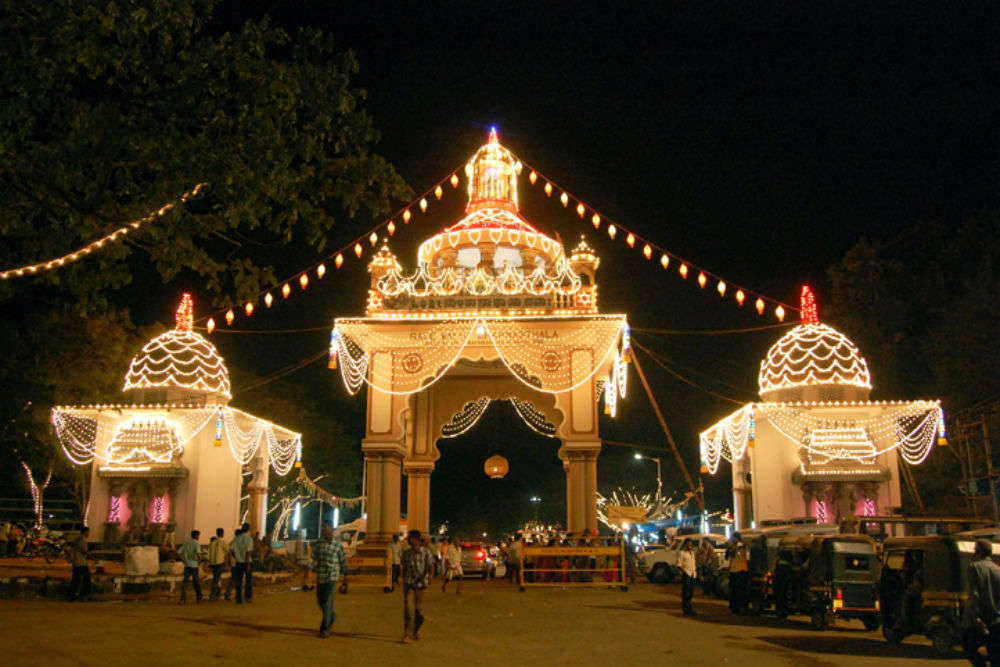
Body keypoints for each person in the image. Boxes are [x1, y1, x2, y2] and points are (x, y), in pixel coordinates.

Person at [965, 539, 1000, 666]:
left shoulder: (974, 567)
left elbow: (974, 594)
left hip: (981, 620)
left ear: (977, 552)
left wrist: (974, 616)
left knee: (968, 647)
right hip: (997, 621)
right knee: (995, 657)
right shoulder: (997, 569)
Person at [310, 524, 347, 638]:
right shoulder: (319, 544)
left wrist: (345, 576)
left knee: (327, 601)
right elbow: (313, 557)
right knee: (320, 601)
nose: (324, 531)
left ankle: (325, 628)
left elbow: (343, 560)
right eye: (323, 529)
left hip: (332, 576)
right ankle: (330, 616)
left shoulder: (337, 545)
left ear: (332, 530)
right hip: (321, 576)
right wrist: (309, 568)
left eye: (326, 529)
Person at [401, 529, 434, 643]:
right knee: (409, 609)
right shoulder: (406, 553)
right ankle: (407, 634)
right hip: (409, 584)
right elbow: (404, 568)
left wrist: (430, 576)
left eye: (410, 538)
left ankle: (415, 631)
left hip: (420, 585)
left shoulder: (426, 552)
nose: (408, 540)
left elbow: (430, 565)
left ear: (416, 539)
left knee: (418, 610)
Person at [230, 522, 253, 604]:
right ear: (248, 529)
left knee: (238, 581)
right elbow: (248, 552)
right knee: (248, 581)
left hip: (238, 562)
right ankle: (248, 597)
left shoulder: (236, 538)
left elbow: (231, 549)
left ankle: (238, 598)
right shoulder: (249, 539)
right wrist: (248, 563)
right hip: (246, 561)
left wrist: (236, 556)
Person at [178, 530, 203, 604]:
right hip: (194, 565)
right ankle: (199, 596)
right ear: (196, 536)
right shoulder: (196, 544)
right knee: (196, 582)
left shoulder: (186, 543)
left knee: (185, 583)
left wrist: (183, 560)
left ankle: (182, 599)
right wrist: (200, 560)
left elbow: (179, 552)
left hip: (187, 565)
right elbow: (198, 554)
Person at [727, 532, 750, 614]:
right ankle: (735, 607)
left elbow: (746, 558)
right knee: (734, 591)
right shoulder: (731, 547)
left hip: (741, 571)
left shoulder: (742, 547)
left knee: (740, 591)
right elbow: (729, 558)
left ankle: (741, 607)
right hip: (734, 571)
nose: (732, 539)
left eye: (733, 538)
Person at [68, 526, 91, 601]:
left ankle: (72, 595)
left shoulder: (77, 539)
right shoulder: (82, 540)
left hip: (76, 562)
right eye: (88, 532)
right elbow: (84, 551)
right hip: (81, 562)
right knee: (86, 578)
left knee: (76, 579)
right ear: (85, 532)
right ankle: (83, 595)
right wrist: (92, 556)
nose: (89, 534)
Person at [678, 539, 698, 615]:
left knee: (691, 593)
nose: (689, 546)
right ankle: (685, 609)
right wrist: (684, 573)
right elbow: (679, 565)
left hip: (693, 574)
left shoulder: (692, 553)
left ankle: (689, 608)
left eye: (690, 544)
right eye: (688, 544)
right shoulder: (682, 553)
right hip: (687, 574)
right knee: (686, 593)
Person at [208, 528, 228, 600]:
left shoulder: (213, 542)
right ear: (222, 533)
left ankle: (217, 592)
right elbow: (227, 550)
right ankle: (213, 594)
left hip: (213, 563)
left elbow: (209, 553)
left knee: (217, 577)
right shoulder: (222, 542)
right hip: (219, 562)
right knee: (216, 578)